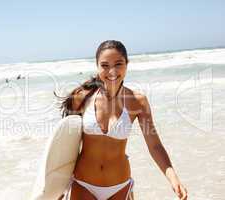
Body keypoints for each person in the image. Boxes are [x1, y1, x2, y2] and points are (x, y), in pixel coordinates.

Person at [55, 40, 188, 200]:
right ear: (97, 66)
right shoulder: (82, 97)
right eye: (105, 65)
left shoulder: (137, 101)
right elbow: (64, 144)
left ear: (127, 64)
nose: (112, 71)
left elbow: (155, 145)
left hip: (119, 187)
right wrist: (56, 187)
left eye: (118, 64)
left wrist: (173, 179)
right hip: (82, 184)